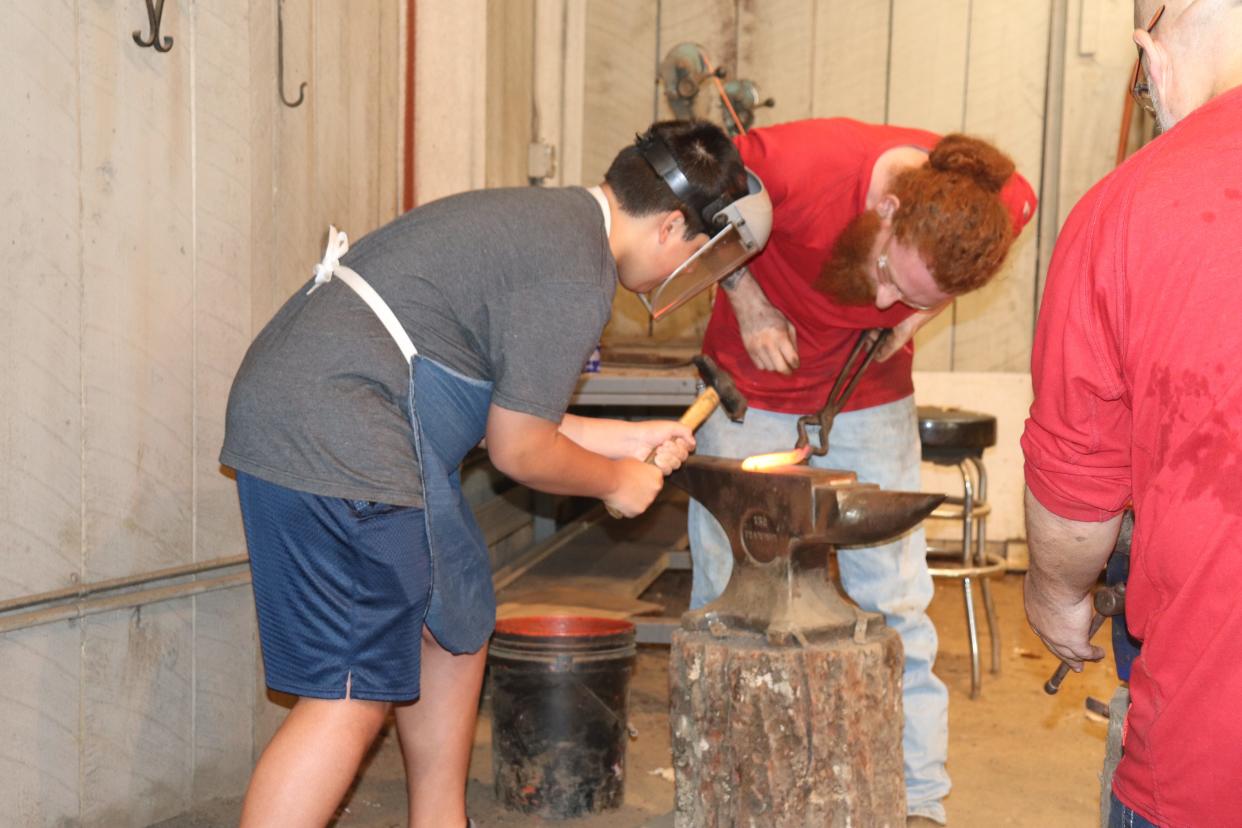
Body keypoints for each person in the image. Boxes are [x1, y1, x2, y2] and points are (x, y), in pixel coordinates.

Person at [219, 119, 770, 828]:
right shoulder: (577, 273)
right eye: (695, 254)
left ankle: (442, 819)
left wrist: (628, 438)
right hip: (344, 432)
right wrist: (614, 482)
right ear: (670, 226)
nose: (683, 278)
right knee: (349, 697)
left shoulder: (552, 226)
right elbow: (518, 451)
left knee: (459, 607)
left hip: (321, 409)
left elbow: (501, 407)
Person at [687, 118, 1037, 826]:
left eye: (908, 294)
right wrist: (751, 302)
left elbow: (973, 246)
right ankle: (717, 794)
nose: (879, 302)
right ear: (888, 209)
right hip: (750, 381)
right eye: (886, 274)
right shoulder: (796, 165)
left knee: (896, 605)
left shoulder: (1002, 201)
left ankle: (921, 804)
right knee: (727, 601)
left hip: (867, 393)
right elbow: (694, 209)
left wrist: (915, 318)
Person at [1022, 1, 1242, 825]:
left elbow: (1076, 495)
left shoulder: (1127, 209)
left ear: (1152, 58)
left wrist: (1054, 596)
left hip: (1212, 760)